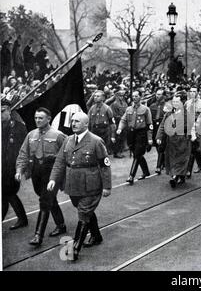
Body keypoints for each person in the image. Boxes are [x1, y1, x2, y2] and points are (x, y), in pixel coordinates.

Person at [48, 112, 111, 261]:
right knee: (85, 210)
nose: (73, 124)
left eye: (77, 121)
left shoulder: (96, 141)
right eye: (72, 121)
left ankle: (75, 248)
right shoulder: (68, 140)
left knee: (83, 213)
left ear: (86, 124)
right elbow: (60, 162)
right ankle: (96, 236)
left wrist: (107, 186)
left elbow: (105, 165)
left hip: (91, 185)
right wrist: (53, 179)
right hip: (73, 185)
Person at [16, 108, 67, 246]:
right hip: (36, 171)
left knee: (45, 200)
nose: (37, 120)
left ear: (48, 119)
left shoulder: (58, 135)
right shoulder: (31, 135)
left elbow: (67, 154)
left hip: (52, 172)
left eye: (41, 118)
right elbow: (23, 153)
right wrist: (19, 170)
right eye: (36, 118)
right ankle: (61, 225)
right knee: (46, 197)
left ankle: (38, 235)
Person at [1, 99, 28, 229]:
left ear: (9, 110)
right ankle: (22, 219)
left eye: (2, 111)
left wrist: (20, 168)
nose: (0, 114)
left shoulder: (18, 127)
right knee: (6, 194)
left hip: (12, 167)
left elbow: (23, 149)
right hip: (2, 166)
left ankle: (22, 219)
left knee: (8, 193)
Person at [117, 90, 153, 184]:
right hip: (131, 133)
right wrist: (120, 128)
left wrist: (149, 139)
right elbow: (123, 120)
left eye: (136, 96)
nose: (134, 98)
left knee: (137, 154)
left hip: (141, 134)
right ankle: (146, 172)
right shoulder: (129, 109)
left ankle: (131, 176)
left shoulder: (145, 109)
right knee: (136, 153)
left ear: (140, 97)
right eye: (133, 96)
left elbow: (149, 125)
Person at [156, 92, 191, 187]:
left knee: (181, 159)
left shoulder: (186, 113)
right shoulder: (169, 113)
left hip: (182, 140)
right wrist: (159, 137)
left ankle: (177, 176)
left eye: (177, 101)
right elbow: (162, 125)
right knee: (172, 158)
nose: (175, 103)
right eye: (174, 101)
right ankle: (175, 175)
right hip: (171, 140)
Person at [186, 87, 201, 178]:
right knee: (192, 149)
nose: (193, 93)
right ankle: (189, 170)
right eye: (191, 91)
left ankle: (197, 167)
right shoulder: (187, 103)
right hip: (189, 127)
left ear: (198, 93)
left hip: (199, 127)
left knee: (196, 148)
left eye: (194, 91)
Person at [148, 88, 167, 174]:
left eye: (159, 94)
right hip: (155, 126)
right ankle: (163, 162)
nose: (157, 96)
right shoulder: (152, 106)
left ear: (163, 95)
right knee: (157, 145)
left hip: (163, 126)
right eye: (156, 94)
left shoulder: (167, 106)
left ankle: (158, 166)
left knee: (161, 146)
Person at [108, 85, 128, 158]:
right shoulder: (114, 104)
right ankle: (116, 152)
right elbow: (114, 114)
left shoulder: (124, 103)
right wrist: (121, 118)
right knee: (118, 138)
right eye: (120, 96)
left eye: (122, 96)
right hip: (117, 122)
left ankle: (120, 151)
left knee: (122, 137)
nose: (121, 97)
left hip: (124, 122)